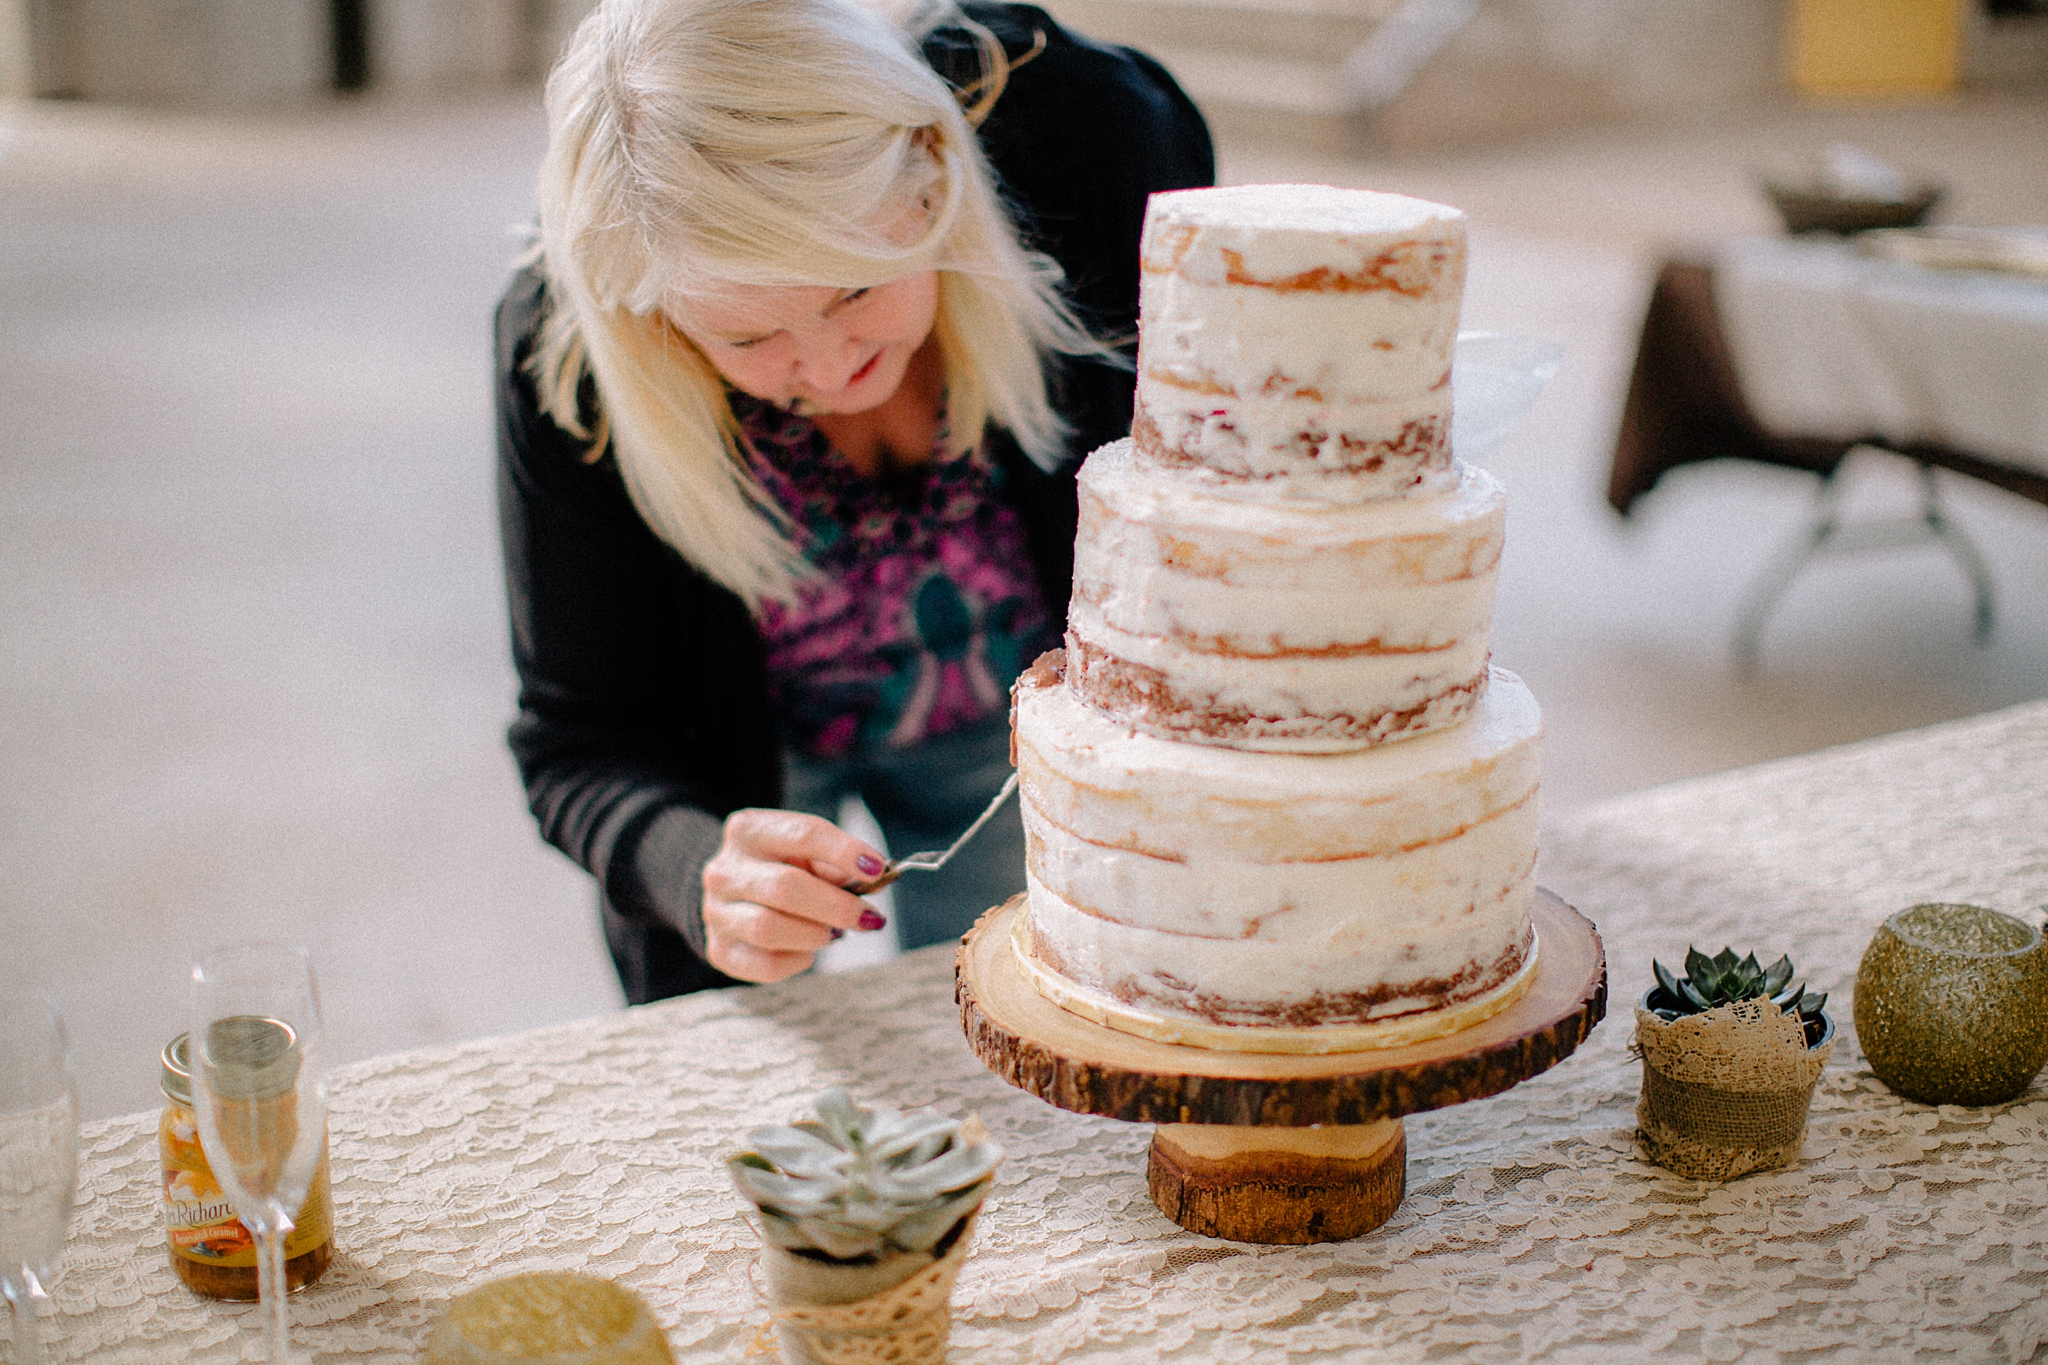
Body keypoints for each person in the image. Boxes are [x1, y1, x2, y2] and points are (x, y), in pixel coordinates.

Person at [495, 0, 1213, 1004]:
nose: (830, 369)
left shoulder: (1078, 131)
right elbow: (580, 742)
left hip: (1013, 727)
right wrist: (698, 868)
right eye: (746, 339)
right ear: (648, 312)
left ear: (931, 177)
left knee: (1033, 1029)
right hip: (737, 756)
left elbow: (1217, 453)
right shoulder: (565, 358)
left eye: (855, 289)